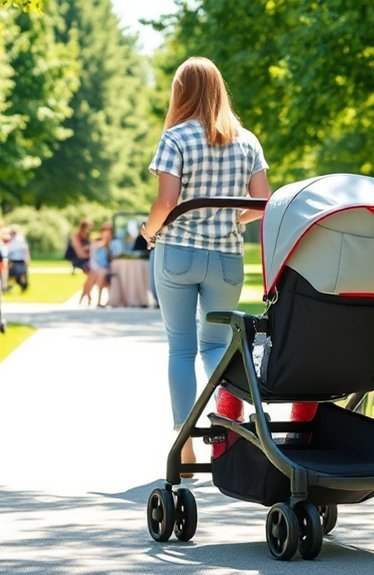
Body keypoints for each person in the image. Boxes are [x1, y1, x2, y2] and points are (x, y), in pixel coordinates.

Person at [141, 57, 270, 472]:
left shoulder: (176, 138)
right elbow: (263, 203)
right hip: (227, 259)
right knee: (217, 346)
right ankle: (228, 424)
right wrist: (233, 218)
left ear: (181, 92)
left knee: (181, 348)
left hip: (178, 252)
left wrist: (148, 231)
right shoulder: (247, 141)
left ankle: (185, 443)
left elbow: (166, 202)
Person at [89, 223, 115, 306]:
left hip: (110, 268)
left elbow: (112, 258)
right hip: (99, 268)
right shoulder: (97, 245)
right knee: (101, 274)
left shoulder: (114, 244)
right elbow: (94, 258)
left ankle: (108, 300)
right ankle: (98, 301)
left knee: (103, 274)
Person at [4, 225, 31, 292]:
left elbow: (25, 249)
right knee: (9, 275)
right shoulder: (8, 239)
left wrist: (27, 258)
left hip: (19, 260)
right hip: (11, 260)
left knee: (20, 274)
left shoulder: (20, 239)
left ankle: (23, 286)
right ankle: (8, 287)